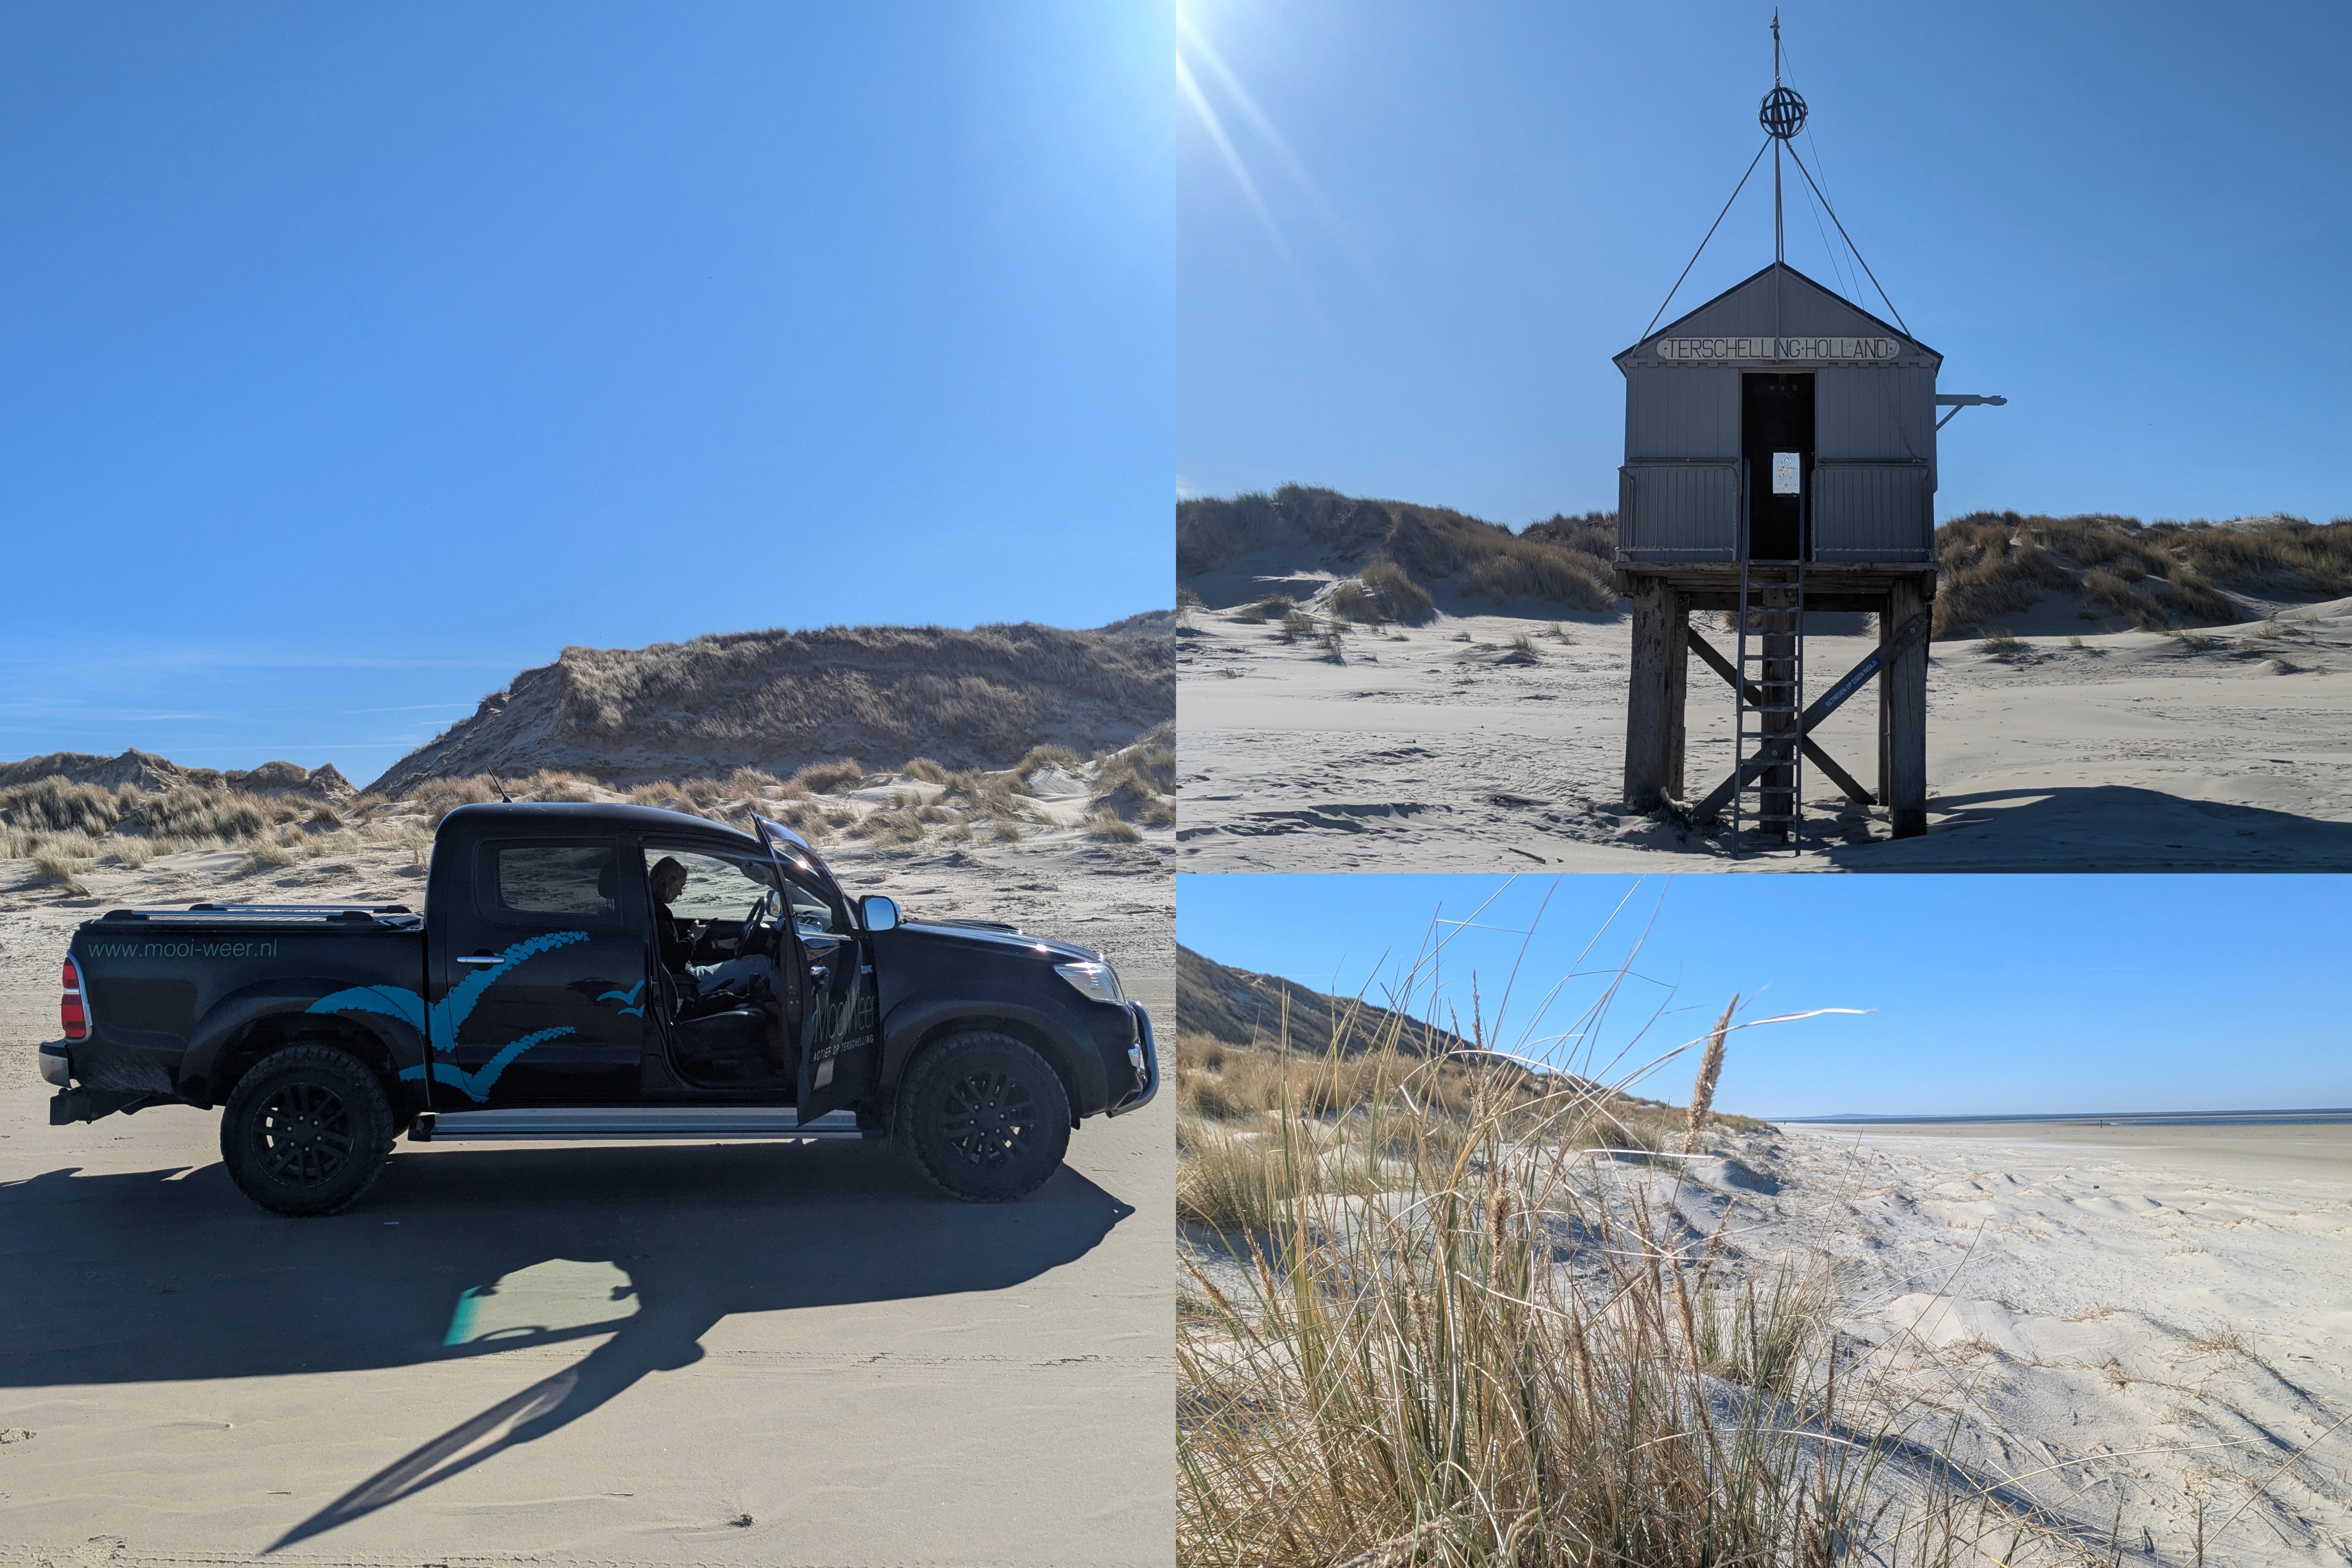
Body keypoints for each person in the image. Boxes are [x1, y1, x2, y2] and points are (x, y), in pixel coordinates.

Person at [648, 855, 776, 1002]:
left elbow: (670, 948)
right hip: (684, 981)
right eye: (681, 886)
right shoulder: (658, 912)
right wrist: (693, 937)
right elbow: (674, 958)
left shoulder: (654, 907)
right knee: (762, 964)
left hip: (685, 974)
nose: (681, 893)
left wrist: (718, 944)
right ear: (670, 880)